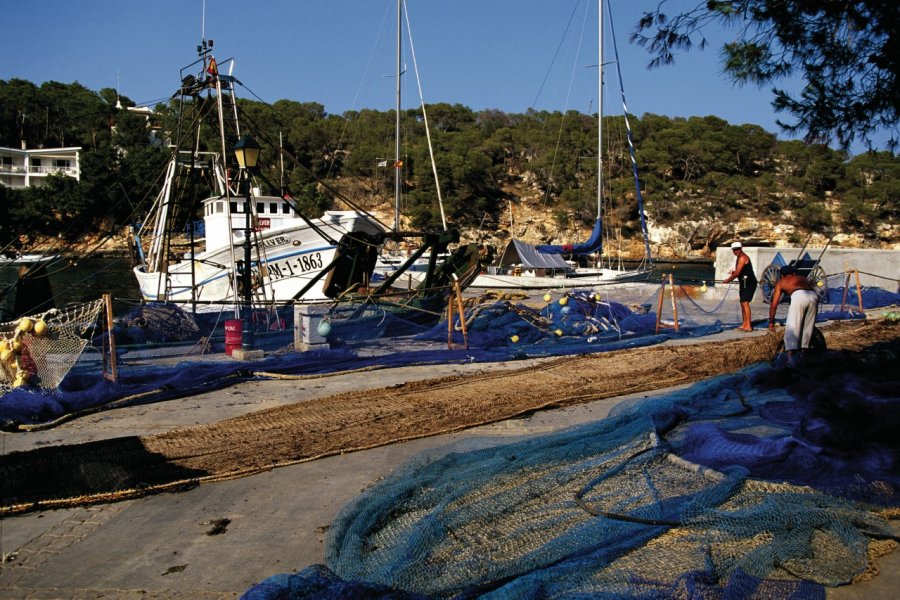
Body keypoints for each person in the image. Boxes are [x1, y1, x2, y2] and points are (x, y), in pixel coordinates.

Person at [768, 265, 819, 362]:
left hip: (799, 295)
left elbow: (774, 304)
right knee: (808, 326)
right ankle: (804, 352)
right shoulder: (803, 278)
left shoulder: (781, 282)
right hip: (813, 295)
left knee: (793, 325)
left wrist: (771, 321)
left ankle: (790, 357)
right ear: (794, 274)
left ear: (782, 276)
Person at [721, 241, 757, 331]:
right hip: (744, 282)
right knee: (742, 303)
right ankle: (744, 323)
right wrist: (733, 273)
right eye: (734, 250)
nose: (735, 251)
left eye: (737, 249)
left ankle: (748, 325)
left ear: (741, 249)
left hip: (748, 282)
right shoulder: (739, 257)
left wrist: (728, 280)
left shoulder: (742, 258)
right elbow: (740, 271)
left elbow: (737, 273)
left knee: (745, 303)